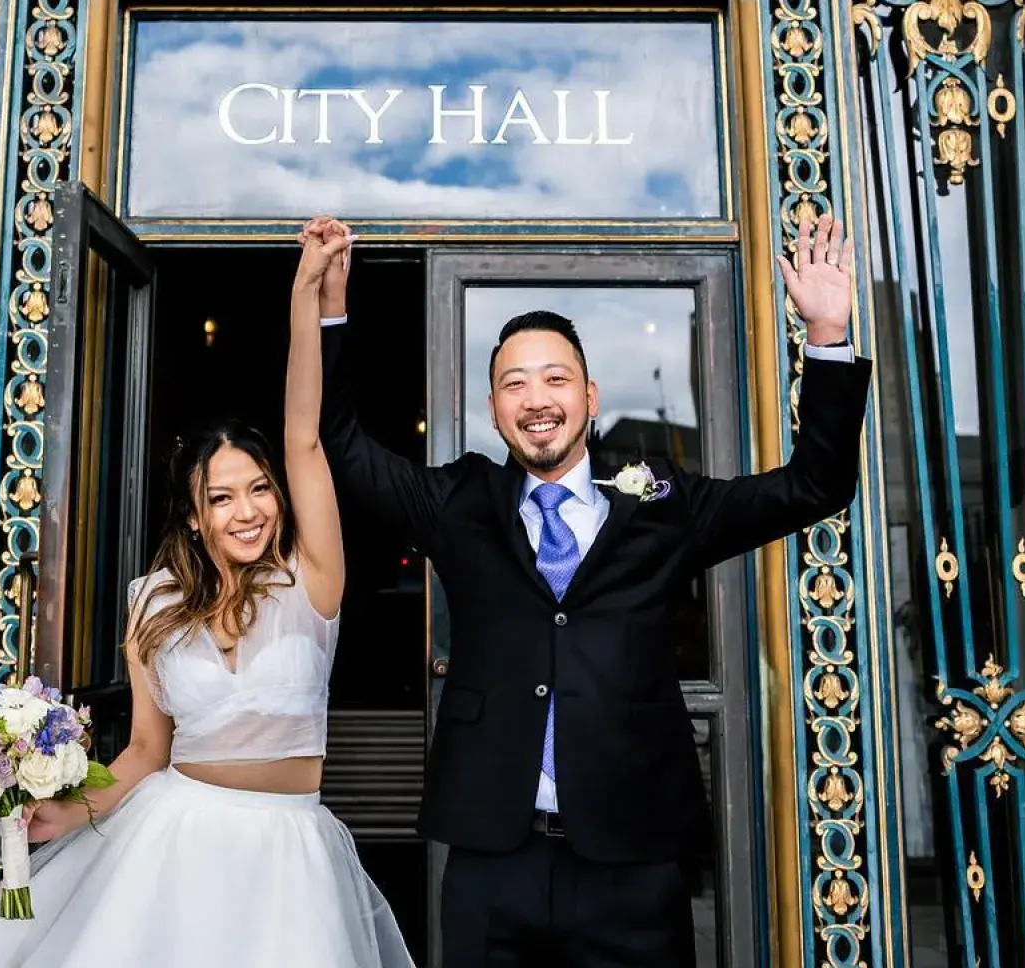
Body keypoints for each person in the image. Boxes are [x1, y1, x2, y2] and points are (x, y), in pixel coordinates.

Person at [301, 214, 872, 967]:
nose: (537, 398)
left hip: (632, 862)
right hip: (491, 858)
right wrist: (331, 304)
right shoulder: (458, 501)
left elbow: (813, 487)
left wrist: (827, 335)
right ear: (496, 408)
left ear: (591, 396)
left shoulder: (663, 502)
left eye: (555, 377)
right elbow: (339, 443)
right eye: (514, 383)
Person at [0, 229, 412, 967]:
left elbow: (304, 438)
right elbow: (147, 750)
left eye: (258, 490)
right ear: (194, 514)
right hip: (171, 842)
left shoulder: (313, 584)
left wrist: (304, 296)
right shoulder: (154, 605)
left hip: (288, 853)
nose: (246, 511)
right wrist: (66, 808)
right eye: (221, 497)